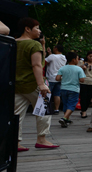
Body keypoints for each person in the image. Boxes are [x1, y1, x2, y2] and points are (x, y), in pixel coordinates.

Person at [13, 18, 58, 151]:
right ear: (27, 29)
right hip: (33, 84)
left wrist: (43, 45)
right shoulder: (33, 44)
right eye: (37, 28)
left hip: (16, 84)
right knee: (44, 111)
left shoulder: (12, 43)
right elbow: (37, 65)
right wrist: (42, 85)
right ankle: (41, 139)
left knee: (17, 114)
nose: (39, 31)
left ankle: (15, 142)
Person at [56, 52, 85, 128]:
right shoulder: (79, 69)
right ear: (73, 60)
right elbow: (82, 80)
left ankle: (66, 120)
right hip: (74, 89)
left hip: (63, 89)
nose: (78, 60)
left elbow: (57, 78)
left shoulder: (63, 68)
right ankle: (64, 118)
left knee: (65, 104)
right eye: (77, 58)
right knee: (72, 104)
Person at [45, 43, 66, 114]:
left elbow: (44, 62)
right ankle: (56, 109)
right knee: (57, 94)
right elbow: (54, 59)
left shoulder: (52, 57)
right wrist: (50, 53)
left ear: (56, 49)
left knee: (47, 93)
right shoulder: (64, 57)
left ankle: (45, 109)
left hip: (51, 78)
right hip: (60, 78)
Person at [79, 51, 92, 118]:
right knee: (83, 97)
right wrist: (82, 68)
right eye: (90, 56)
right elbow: (77, 71)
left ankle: (84, 109)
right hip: (84, 82)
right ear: (87, 56)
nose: (91, 58)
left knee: (90, 98)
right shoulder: (82, 63)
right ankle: (84, 111)